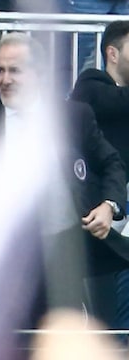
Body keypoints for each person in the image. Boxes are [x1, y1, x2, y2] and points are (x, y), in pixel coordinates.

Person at [0, 32, 127, 331]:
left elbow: (111, 162)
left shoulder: (73, 115)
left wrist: (109, 206)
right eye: (0, 70)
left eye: (15, 70)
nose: (5, 79)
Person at [70, 19, 129, 338]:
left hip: (119, 210)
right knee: (98, 312)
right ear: (113, 53)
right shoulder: (90, 83)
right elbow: (114, 102)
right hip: (91, 218)